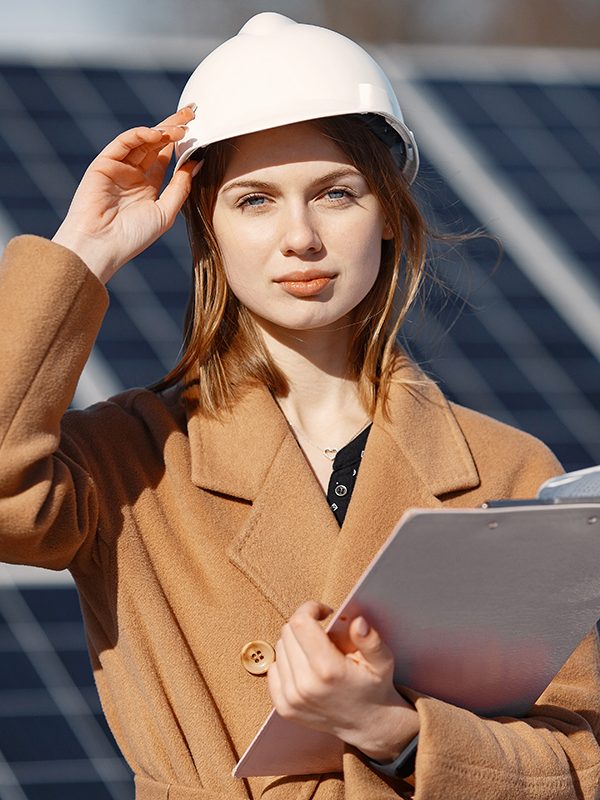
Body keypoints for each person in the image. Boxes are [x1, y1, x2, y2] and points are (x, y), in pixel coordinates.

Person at [1, 12, 599, 800]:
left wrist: (397, 735)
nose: (302, 237)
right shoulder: (125, 459)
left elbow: (580, 760)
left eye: (336, 194)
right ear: (206, 228)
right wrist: (82, 252)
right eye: (254, 201)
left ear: (386, 214)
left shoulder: (508, 467)